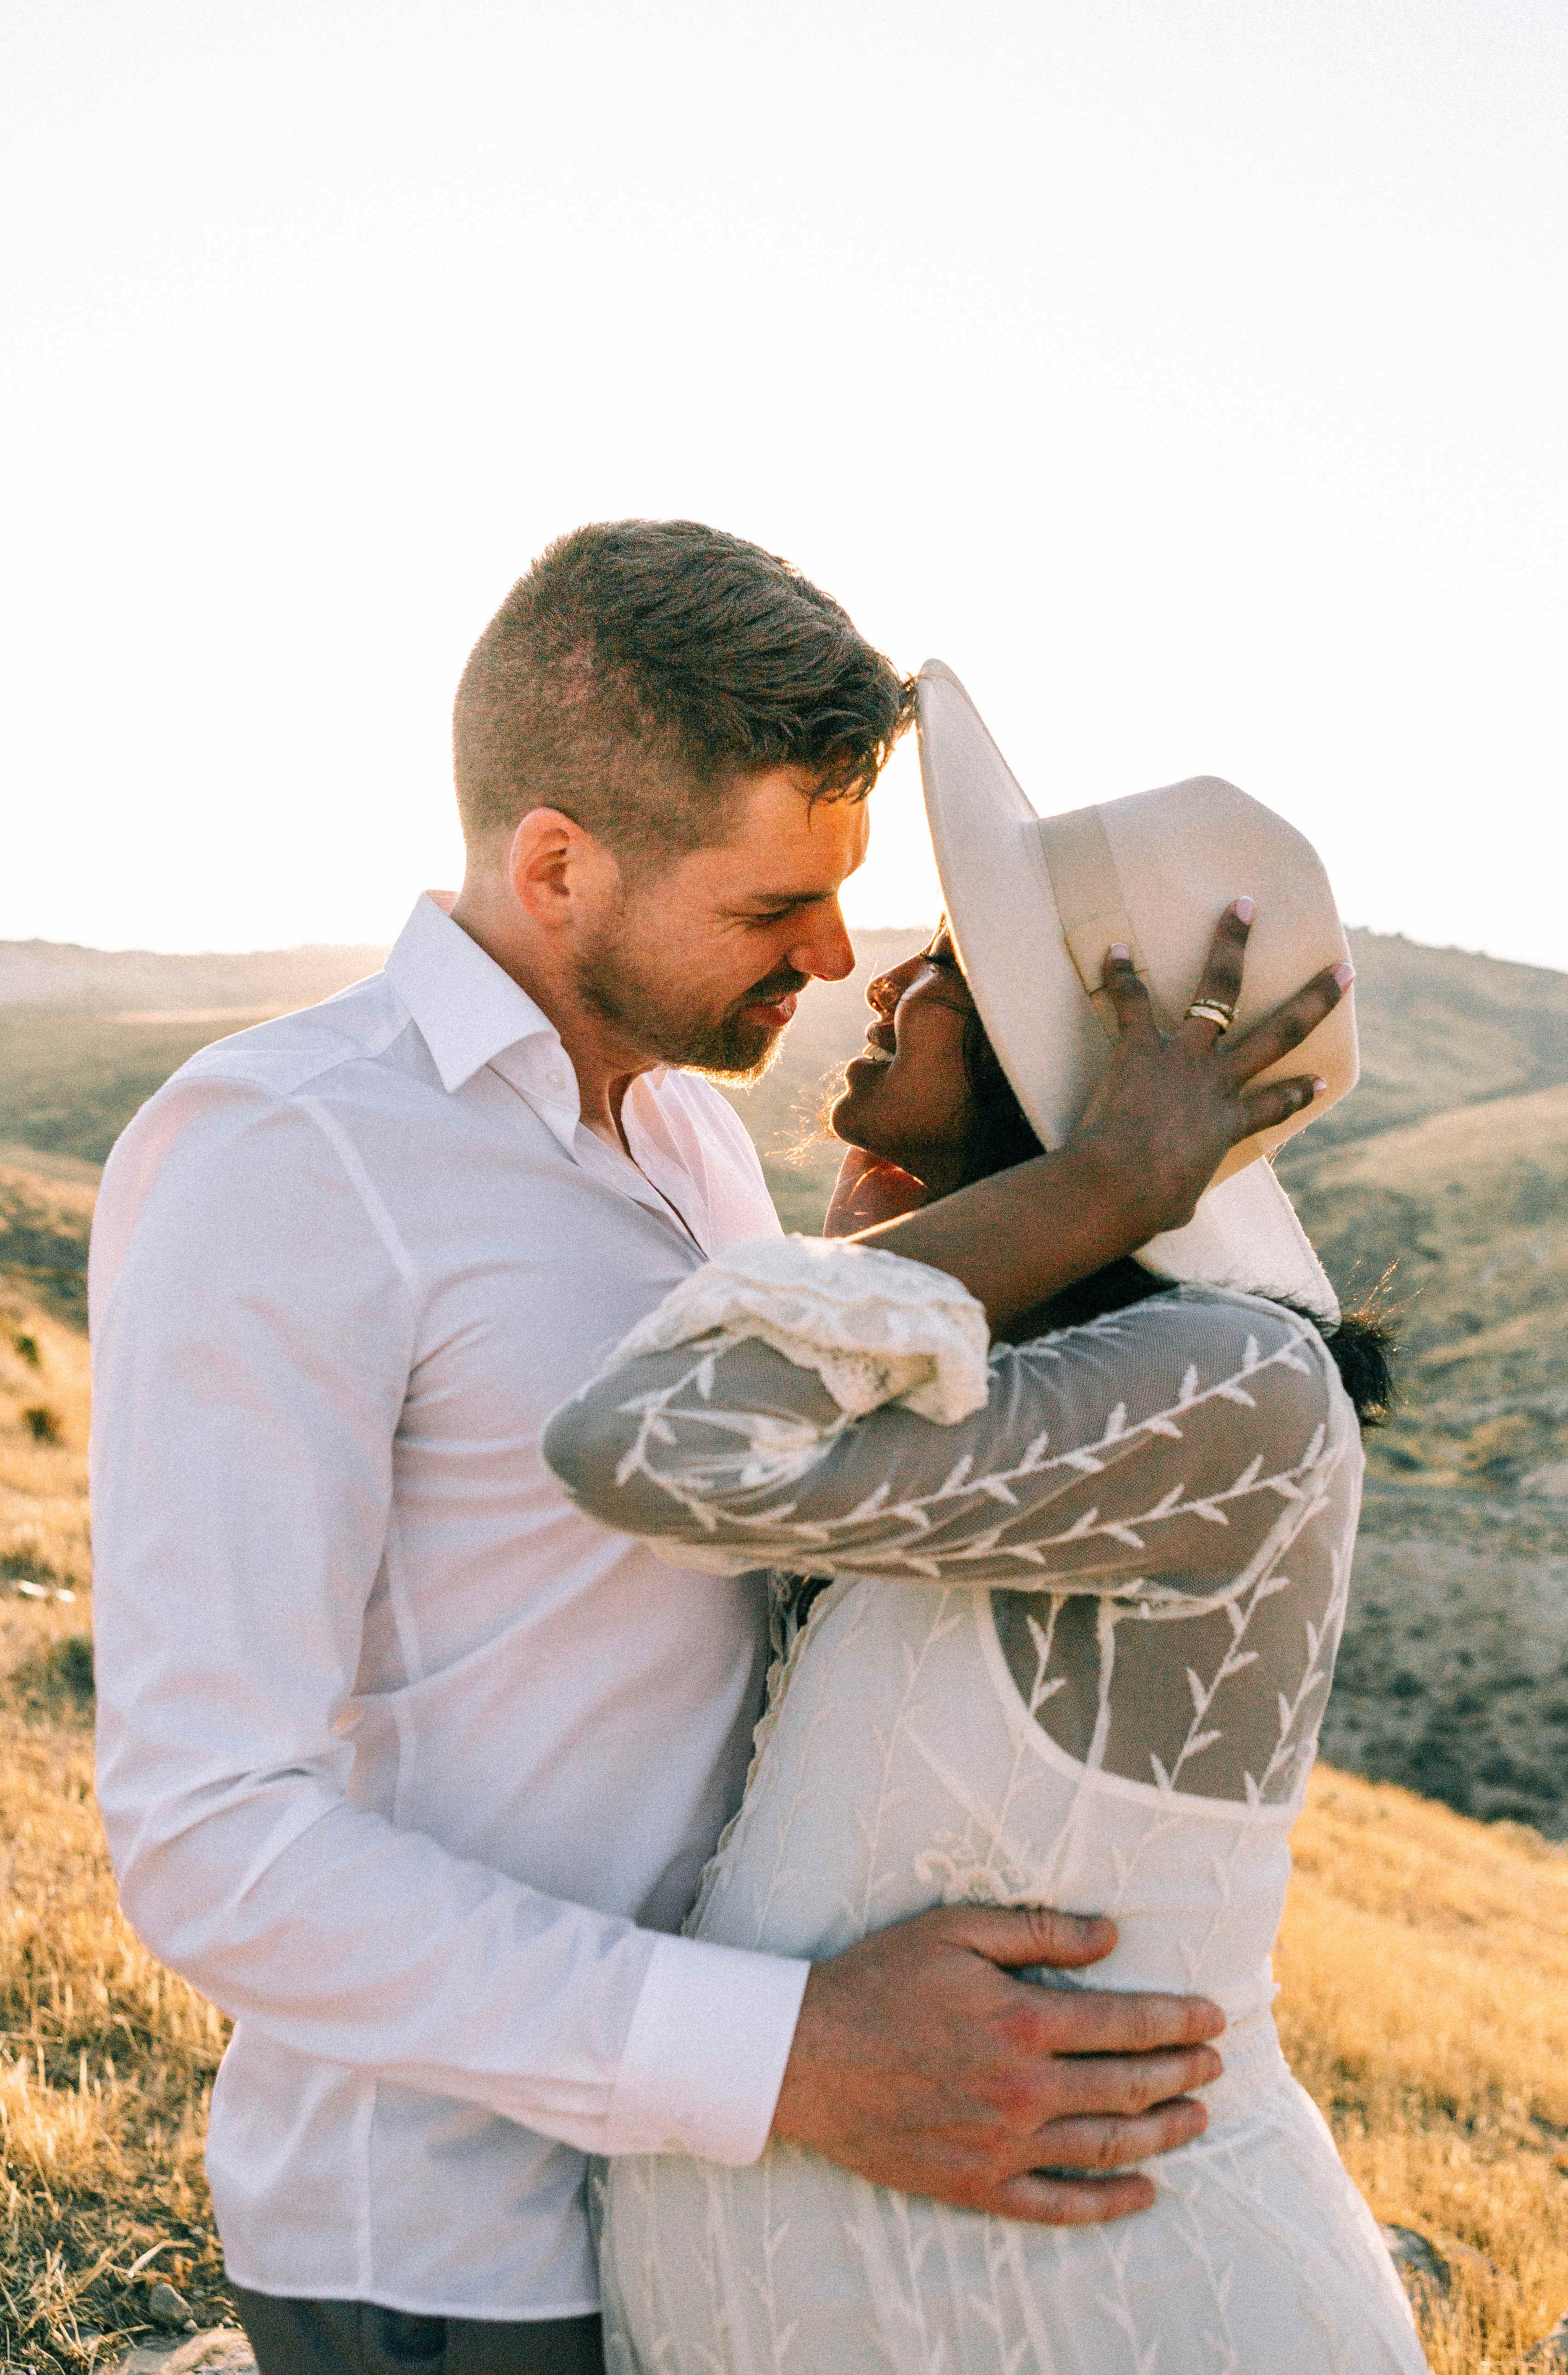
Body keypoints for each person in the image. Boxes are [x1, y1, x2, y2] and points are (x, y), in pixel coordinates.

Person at [92, 531, 1329, 2375]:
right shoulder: (287, 1154)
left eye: (839, 896)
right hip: (452, 2252)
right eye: (775, 912)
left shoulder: (693, 1148)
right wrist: (796, 2053)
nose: (836, 957)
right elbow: (209, 1836)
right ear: (554, 867)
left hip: (713, 2223)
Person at [542, 664, 1426, 2373]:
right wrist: (947, 1232)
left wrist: (1091, 1185)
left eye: (949, 969)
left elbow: (643, 1442)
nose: (882, 978)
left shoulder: (1236, 1392)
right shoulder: (1006, 1370)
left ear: (1081, 1070)